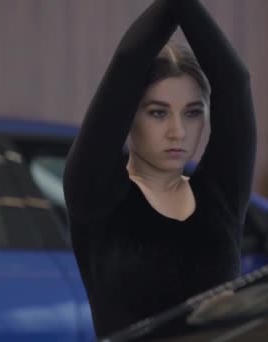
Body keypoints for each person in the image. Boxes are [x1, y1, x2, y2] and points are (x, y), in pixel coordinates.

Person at [63, 0, 253, 337]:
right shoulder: (96, 194)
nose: (177, 131)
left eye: (193, 112)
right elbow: (127, 63)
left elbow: (234, 80)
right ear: (128, 116)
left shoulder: (221, 194)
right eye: (158, 112)